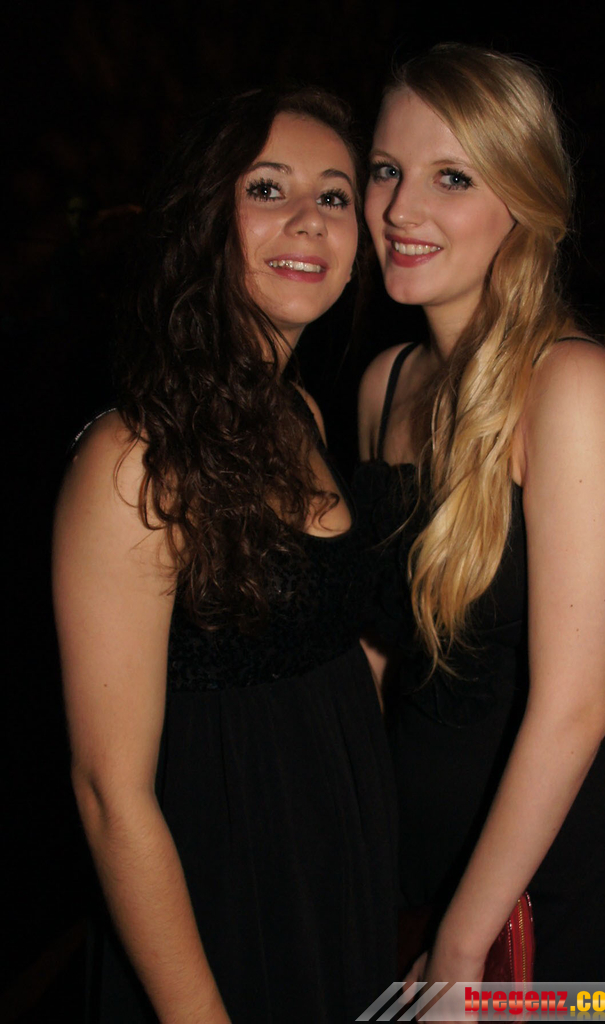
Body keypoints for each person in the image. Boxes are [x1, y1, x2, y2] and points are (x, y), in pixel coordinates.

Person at [53, 88, 396, 1023]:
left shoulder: (303, 413)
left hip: (338, 871)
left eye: (334, 196)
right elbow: (110, 794)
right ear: (206, 219)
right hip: (222, 904)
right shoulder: (135, 458)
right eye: (267, 188)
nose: (309, 218)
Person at [356, 44, 605, 983]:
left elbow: (575, 708)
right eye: (386, 171)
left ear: (521, 202)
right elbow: (378, 649)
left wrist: (457, 948)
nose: (401, 210)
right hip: (406, 846)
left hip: (537, 882)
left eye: (452, 177)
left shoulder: (571, 386)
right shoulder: (384, 384)